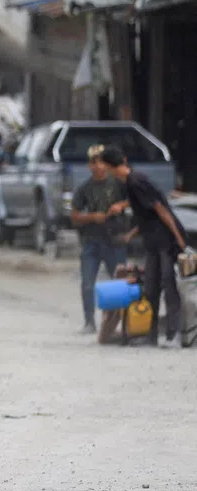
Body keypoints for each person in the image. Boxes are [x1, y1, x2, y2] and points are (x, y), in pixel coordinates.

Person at [100, 146, 187, 348]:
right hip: (152, 242)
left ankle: (174, 335)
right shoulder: (129, 185)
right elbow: (146, 216)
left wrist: (179, 239)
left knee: (169, 285)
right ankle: (151, 334)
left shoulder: (137, 182)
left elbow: (161, 210)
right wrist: (130, 235)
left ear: (110, 167)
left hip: (166, 242)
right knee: (150, 288)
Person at [70, 145, 129, 333]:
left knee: (119, 283)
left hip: (115, 239)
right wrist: (92, 217)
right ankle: (89, 322)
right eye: (95, 163)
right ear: (90, 165)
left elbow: (134, 198)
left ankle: (123, 323)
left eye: (102, 162)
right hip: (92, 241)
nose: (99, 167)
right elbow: (74, 215)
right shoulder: (85, 188)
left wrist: (120, 205)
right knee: (87, 283)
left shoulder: (118, 183)